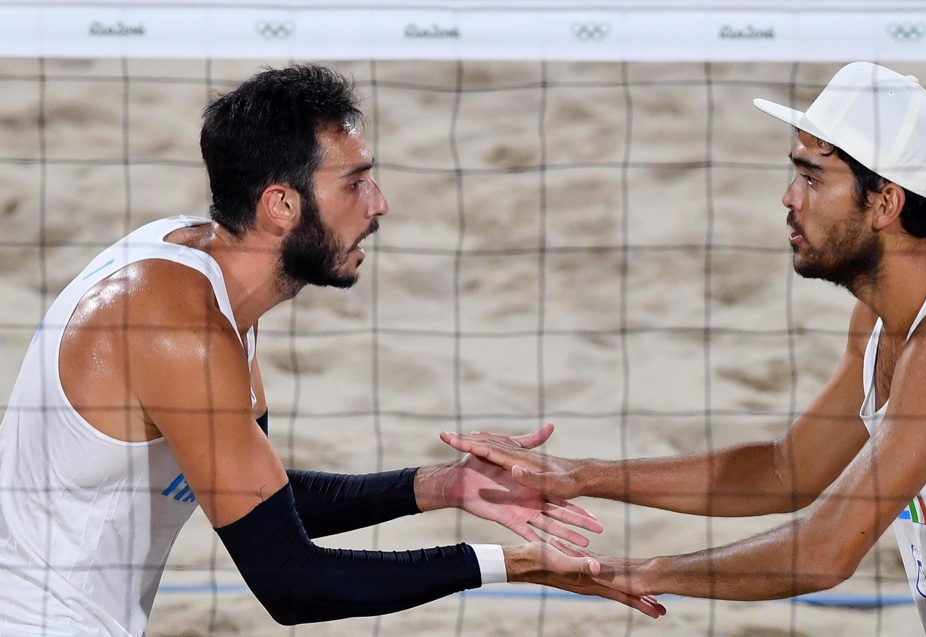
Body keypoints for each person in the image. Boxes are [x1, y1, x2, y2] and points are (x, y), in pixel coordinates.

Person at [0, 64, 665, 636]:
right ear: (281, 204)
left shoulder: (205, 269)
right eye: (355, 182)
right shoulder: (180, 328)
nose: (380, 203)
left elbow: (258, 499)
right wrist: (511, 564)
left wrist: (441, 486)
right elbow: (291, 582)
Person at [443, 61, 926, 636]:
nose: (789, 198)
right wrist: (579, 474)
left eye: (813, 179)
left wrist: (639, 571)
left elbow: (825, 551)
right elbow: (788, 471)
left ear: (885, 202)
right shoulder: (880, 325)